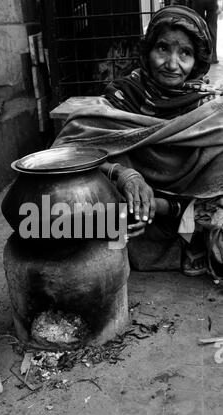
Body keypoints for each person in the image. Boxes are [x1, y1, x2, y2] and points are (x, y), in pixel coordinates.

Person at [53, 5, 223, 281]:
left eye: (185, 53)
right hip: (126, 212)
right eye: (163, 48)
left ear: (198, 62)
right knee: (64, 203)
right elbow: (68, 154)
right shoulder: (122, 97)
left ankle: (182, 229)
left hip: (179, 212)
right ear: (147, 52)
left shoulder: (208, 108)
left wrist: (164, 206)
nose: (172, 63)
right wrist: (123, 174)